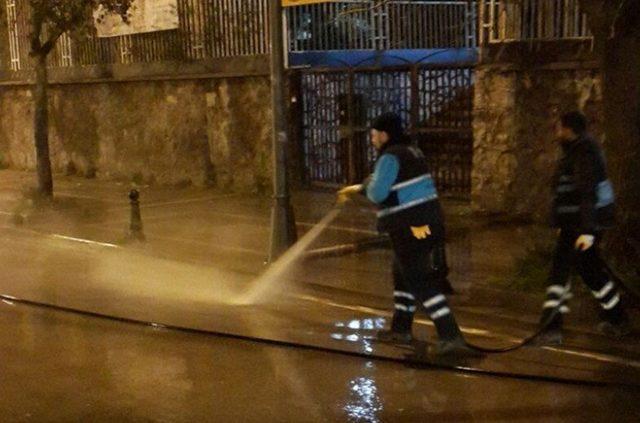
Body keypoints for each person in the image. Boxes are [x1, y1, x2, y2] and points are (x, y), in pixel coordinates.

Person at [338, 112, 469, 355]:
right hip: (426, 223)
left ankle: (451, 336)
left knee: (419, 281)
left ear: (385, 135)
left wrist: (364, 187)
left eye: (374, 135)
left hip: (411, 226)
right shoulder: (411, 151)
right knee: (402, 274)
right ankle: (401, 328)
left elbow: (377, 193)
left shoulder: (390, 156)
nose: (373, 140)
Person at [536, 111, 631, 345]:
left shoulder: (584, 152)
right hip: (574, 224)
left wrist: (588, 231)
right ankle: (616, 316)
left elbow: (587, 194)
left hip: (581, 225)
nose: (556, 133)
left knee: (567, 272)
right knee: (587, 270)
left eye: (558, 128)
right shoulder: (576, 151)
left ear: (569, 129)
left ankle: (551, 328)